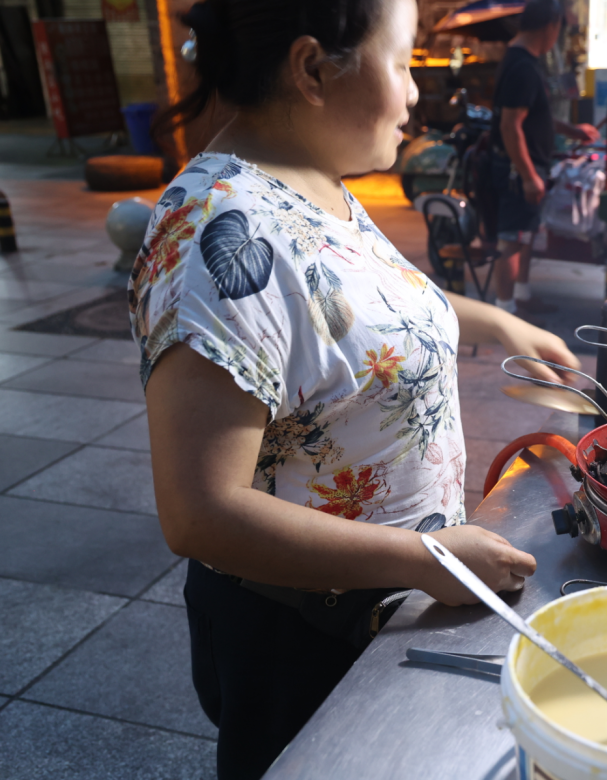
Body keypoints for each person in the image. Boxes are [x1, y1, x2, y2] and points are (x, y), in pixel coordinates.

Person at [132, 1, 582, 778]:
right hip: (304, 631)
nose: (413, 95)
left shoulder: (314, 183)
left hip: (388, 599)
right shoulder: (218, 233)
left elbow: (353, 303)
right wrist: (424, 556)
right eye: (403, 64)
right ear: (313, 68)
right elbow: (201, 513)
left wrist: (498, 323)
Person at [489, 0, 599, 321]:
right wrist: (527, 175)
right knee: (511, 239)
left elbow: (535, 116)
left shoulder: (524, 60)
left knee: (525, 233)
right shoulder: (522, 66)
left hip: (529, 164)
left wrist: (571, 130)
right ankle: (506, 312)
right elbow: (511, 125)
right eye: (560, 28)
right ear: (551, 25)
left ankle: (521, 296)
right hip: (517, 169)